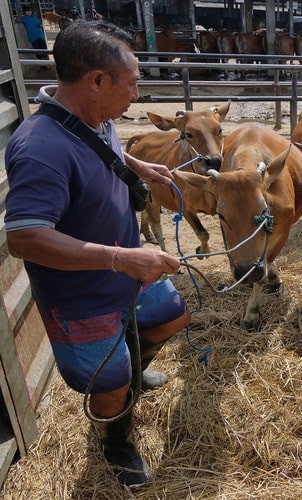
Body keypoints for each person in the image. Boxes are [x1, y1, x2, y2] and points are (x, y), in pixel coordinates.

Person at [4, 21, 191, 487]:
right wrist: (123, 259)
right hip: (81, 293)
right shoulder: (40, 149)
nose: (137, 95)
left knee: (172, 316)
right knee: (107, 390)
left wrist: (134, 163)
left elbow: (101, 148)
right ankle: (116, 442)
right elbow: (23, 238)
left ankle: (132, 373)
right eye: (132, 84)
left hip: (124, 266)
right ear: (96, 81)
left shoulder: (95, 118)